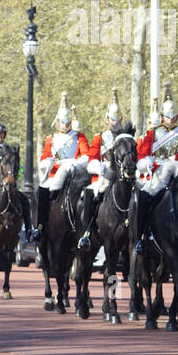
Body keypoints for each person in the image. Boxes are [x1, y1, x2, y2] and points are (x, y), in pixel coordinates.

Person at [132, 92, 178, 254]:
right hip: (158, 174)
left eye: (174, 116)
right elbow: (143, 155)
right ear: (162, 116)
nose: (171, 119)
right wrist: (147, 163)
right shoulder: (153, 134)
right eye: (168, 116)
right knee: (145, 198)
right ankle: (141, 237)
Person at [31, 94, 91, 244]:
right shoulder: (51, 139)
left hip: (74, 172)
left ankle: (88, 230)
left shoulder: (79, 137)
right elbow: (43, 161)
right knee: (42, 191)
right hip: (54, 174)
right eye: (62, 122)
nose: (65, 124)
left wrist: (74, 163)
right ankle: (40, 227)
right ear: (58, 122)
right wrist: (49, 162)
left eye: (67, 121)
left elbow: (87, 156)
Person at [77, 91, 125, 252]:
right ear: (107, 119)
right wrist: (100, 167)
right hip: (103, 176)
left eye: (117, 119)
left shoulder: (125, 137)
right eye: (112, 119)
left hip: (121, 176)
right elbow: (92, 159)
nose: (115, 122)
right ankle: (87, 232)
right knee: (90, 194)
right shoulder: (100, 137)